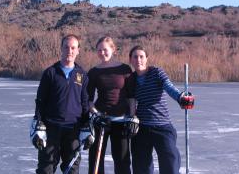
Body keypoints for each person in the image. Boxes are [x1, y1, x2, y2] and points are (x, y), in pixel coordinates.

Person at [127, 45, 195, 174]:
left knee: (170, 164)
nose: (138, 60)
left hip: (162, 127)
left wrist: (181, 97)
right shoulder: (131, 79)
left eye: (141, 56)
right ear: (130, 59)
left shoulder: (156, 72)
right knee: (141, 167)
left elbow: (169, 87)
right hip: (141, 128)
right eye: (135, 57)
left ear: (147, 58)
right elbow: (131, 101)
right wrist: (131, 117)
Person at [30, 34, 91, 174]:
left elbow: (85, 102)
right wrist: (38, 123)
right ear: (61, 49)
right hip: (52, 128)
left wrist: (87, 124)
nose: (69, 51)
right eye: (66, 47)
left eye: (73, 48)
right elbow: (40, 101)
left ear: (78, 51)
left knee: (71, 169)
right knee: (46, 168)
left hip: (73, 130)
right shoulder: (50, 73)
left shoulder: (82, 75)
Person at [87, 36, 136, 174]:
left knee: (122, 161)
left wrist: (132, 117)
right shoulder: (93, 72)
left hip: (121, 120)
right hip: (101, 121)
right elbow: (88, 100)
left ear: (113, 49)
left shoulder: (124, 69)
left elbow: (131, 96)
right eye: (99, 50)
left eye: (105, 49)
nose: (102, 53)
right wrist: (96, 115)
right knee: (95, 161)